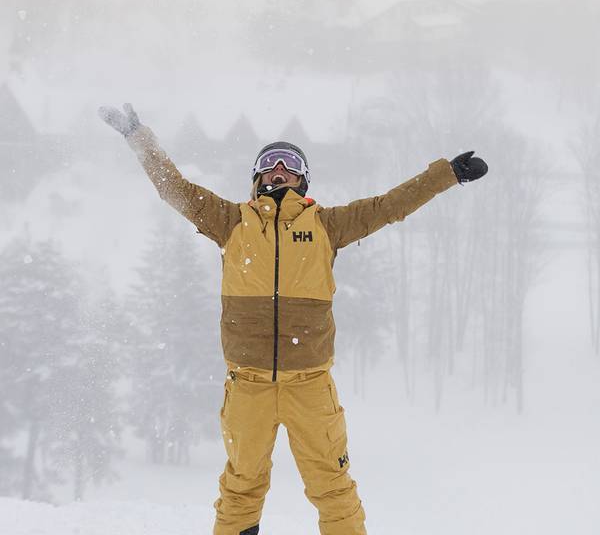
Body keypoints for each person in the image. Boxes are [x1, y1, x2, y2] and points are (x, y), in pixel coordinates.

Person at [98, 103, 488, 535]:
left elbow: (389, 205)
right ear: (257, 179)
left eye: (289, 164)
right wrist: (139, 137)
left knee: (333, 488)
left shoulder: (327, 225)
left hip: (311, 386)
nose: (278, 169)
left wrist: (446, 175)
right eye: (269, 164)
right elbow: (174, 188)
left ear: (303, 180)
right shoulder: (230, 222)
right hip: (248, 385)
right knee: (241, 487)